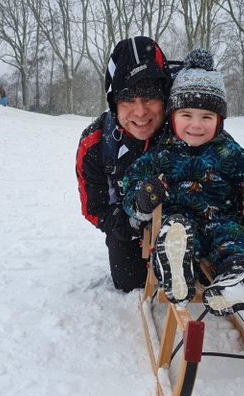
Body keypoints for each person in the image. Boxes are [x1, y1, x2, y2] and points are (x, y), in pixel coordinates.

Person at [121, 49, 244, 316]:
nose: (196, 125)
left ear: (219, 120)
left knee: (237, 240)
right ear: (173, 116)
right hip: (179, 222)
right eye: (187, 115)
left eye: (207, 117)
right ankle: (176, 270)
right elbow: (130, 188)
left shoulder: (228, 151)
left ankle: (236, 280)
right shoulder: (161, 153)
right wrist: (143, 198)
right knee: (177, 233)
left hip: (223, 220)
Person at [75, 36, 171, 293]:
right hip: (130, 228)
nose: (140, 112)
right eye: (128, 99)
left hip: (192, 220)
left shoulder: (187, 125)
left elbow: (229, 166)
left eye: (150, 97)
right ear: (114, 102)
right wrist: (130, 223)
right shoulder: (95, 144)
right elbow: (94, 207)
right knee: (130, 282)